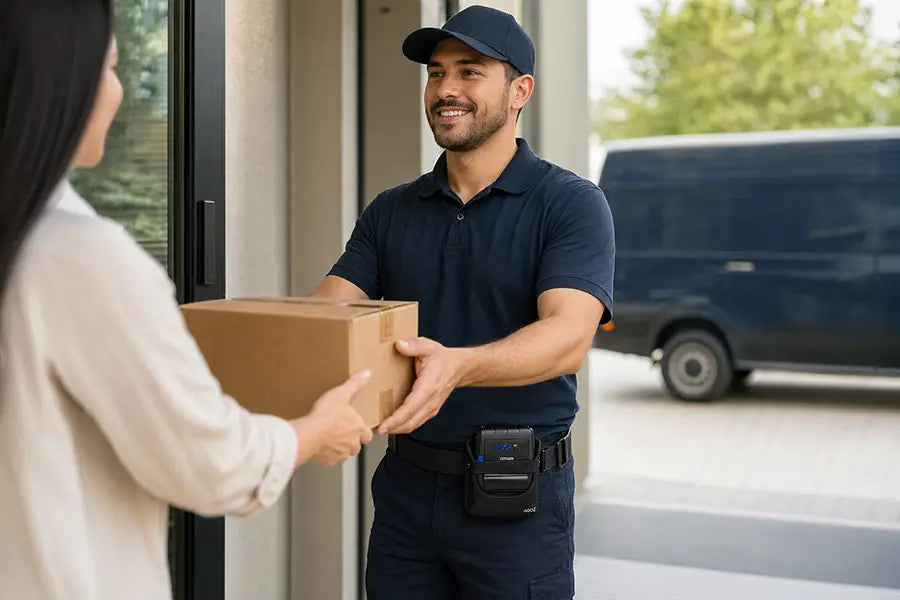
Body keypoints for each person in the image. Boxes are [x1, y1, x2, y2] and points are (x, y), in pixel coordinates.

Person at [0, 2, 373, 598]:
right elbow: (210, 463)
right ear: (63, 82)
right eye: (114, 67)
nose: (119, 92)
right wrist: (313, 429)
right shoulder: (81, 258)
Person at [312, 5, 615, 598]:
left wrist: (457, 366)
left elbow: (567, 339)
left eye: (470, 71)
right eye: (435, 72)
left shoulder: (569, 204)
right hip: (407, 491)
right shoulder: (392, 210)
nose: (446, 89)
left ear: (520, 90)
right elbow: (324, 317)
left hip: (516, 498)